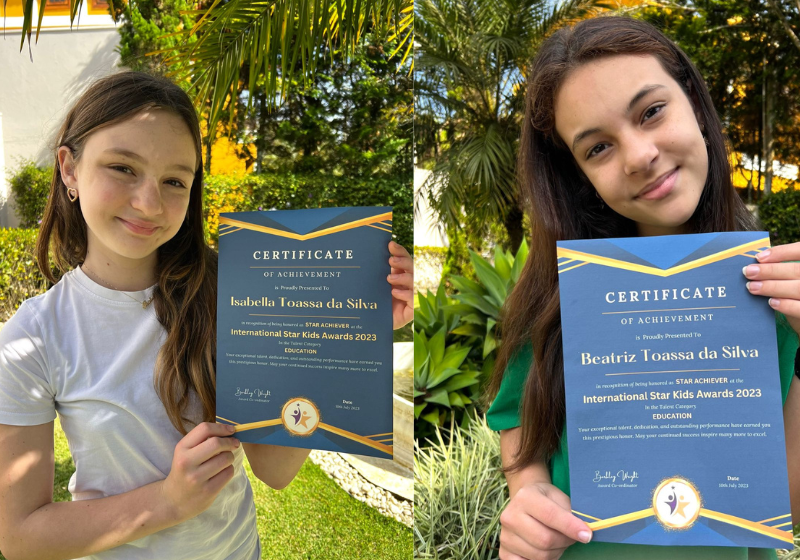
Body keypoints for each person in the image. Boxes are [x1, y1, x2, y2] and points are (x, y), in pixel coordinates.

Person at [0, 71, 414, 560]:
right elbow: (21, 535)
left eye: (175, 180)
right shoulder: (34, 337)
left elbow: (276, 469)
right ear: (69, 169)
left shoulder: (234, 295)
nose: (149, 202)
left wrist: (351, 333)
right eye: (123, 168)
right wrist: (168, 502)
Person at [484, 16, 800, 560]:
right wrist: (528, 488)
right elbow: (515, 414)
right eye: (597, 149)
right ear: (578, 173)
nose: (637, 156)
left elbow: (783, 504)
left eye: (651, 112)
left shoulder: (775, 289)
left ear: (697, 106)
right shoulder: (562, 288)